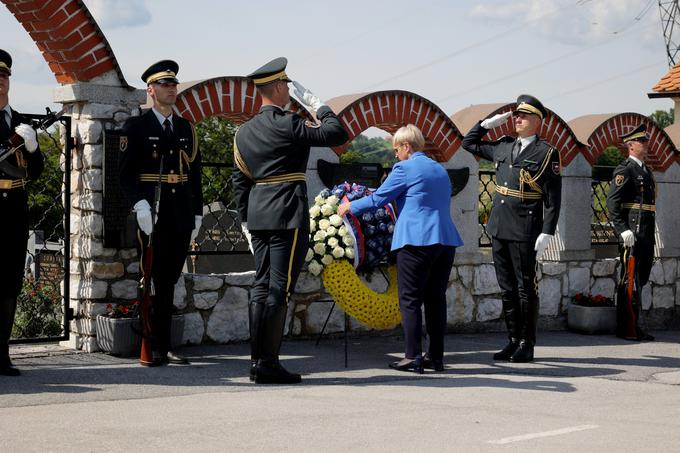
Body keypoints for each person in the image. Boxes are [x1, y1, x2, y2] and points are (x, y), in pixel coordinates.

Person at [233, 57, 348, 384]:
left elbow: (240, 180)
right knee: (279, 289)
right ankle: (268, 364)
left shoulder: (242, 132)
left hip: (258, 213)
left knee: (261, 285)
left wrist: (244, 217)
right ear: (280, 87)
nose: (289, 89)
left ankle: (256, 362)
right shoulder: (288, 122)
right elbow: (336, 132)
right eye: (287, 84)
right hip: (286, 211)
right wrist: (317, 105)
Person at [338, 124, 463, 373]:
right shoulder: (439, 169)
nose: (395, 154)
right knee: (436, 300)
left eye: (396, 149)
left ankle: (412, 356)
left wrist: (348, 207)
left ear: (407, 146)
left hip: (416, 240)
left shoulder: (404, 168)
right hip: (445, 240)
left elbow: (378, 199)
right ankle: (435, 357)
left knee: (409, 300)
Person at [462, 94, 561, 363]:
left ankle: (527, 343)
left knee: (524, 288)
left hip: (526, 227)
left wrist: (548, 231)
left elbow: (553, 198)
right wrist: (485, 124)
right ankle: (512, 340)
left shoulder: (547, 153)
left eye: (524, 115)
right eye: (516, 115)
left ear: (538, 121)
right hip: (499, 226)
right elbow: (467, 143)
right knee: (506, 288)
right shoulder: (504, 146)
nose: (517, 118)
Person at [119, 60, 203, 366]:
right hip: (150, 212)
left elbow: (195, 174)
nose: (171, 90)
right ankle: (148, 342)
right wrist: (138, 204)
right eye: (165, 85)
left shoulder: (185, 128)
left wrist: (197, 212)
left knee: (169, 280)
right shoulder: (136, 126)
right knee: (150, 277)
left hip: (178, 211)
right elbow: (125, 176)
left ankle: (164, 345)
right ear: (151, 90)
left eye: (174, 85)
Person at [0, 49, 44, 376]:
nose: (0, 82)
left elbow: (37, 171)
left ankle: (2, 353)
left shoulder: (20, 124)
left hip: (14, 210)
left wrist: (32, 147)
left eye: (3, 76)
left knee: (10, 284)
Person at [606, 124, 655, 341]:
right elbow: (612, 202)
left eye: (646, 140)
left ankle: (635, 324)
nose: (646, 144)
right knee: (629, 278)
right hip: (632, 233)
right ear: (631, 145)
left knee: (640, 278)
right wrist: (622, 230)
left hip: (645, 233)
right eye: (642, 141)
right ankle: (627, 327)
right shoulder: (625, 169)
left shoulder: (646, 171)